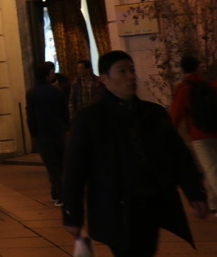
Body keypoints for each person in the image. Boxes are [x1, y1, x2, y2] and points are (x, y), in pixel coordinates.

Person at [64, 50, 207, 257]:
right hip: (114, 208)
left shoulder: (153, 113)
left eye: (131, 70)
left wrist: (195, 193)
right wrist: (72, 215)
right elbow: (74, 169)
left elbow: (178, 155)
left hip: (150, 205)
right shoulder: (90, 119)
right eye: (122, 71)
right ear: (104, 79)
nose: (131, 76)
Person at [170, 55, 217, 213]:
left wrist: (169, 134)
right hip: (215, 132)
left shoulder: (183, 89)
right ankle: (212, 203)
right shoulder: (211, 85)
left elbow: (176, 115)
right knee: (211, 168)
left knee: (211, 169)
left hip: (199, 136)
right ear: (198, 67)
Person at [27, 60, 70, 205]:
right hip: (58, 131)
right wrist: (67, 127)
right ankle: (59, 194)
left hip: (42, 133)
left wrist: (33, 134)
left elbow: (31, 116)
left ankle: (60, 195)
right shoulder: (56, 91)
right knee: (60, 164)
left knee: (51, 166)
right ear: (47, 74)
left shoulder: (31, 93)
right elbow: (65, 111)